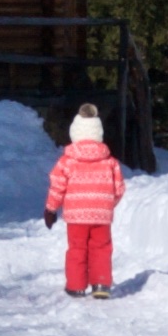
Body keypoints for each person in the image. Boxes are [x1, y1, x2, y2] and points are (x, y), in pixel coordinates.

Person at [45, 104, 126, 299]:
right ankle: (101, 284)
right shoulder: (110, 162)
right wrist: (106, 203)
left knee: (77, 248)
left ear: (75, 134)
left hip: (76, 216)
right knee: (101, 248)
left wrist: (51, 209)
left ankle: (76, 286)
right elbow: (119, 188)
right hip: (102, 215)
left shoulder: (67, 161)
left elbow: (58, 186)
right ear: (99, 133)